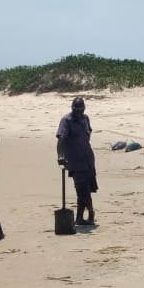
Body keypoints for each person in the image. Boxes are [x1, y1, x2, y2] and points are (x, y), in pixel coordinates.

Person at [56, 96, 97, 225]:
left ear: (84, 109)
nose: (79, 113)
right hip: (75, 162)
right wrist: (61, 156)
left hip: (88, 159)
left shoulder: (85, 119)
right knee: (81, 190)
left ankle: (87, 214)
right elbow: (61, 140)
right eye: (76, 110)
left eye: (81, 110)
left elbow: (88, 134)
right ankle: (84, 215)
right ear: (72, 109)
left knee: (87, 189)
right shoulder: (66, 120)